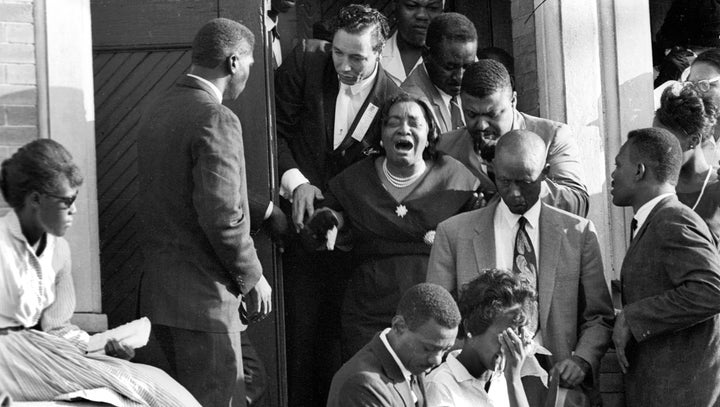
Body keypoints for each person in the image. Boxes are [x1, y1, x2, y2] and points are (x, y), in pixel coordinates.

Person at [136, 18, 281, 406]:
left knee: (246, 380)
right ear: (233, 62)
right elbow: (222, 215)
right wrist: (254, 277)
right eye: (251, 62)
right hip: (206, 304)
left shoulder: (157, 109)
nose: (250, 72)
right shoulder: (216, 117)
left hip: (162, 301)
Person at [0, 139, 200, 406]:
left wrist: (99, 346)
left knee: (150, 381)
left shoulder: (59, 250)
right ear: (36, 200)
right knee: (140, 386)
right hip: (11, 362)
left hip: (47, 354)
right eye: (66, 201)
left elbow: (57, 327)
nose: (74, 210)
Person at [427, 130, 614, 406]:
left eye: (525, 182)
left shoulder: (578, 233)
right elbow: (438, 316)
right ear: (493, 171)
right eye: (504, 181)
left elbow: (599, 316)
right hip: (480, 383)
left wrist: (582, 360)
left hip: (558, 380)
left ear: (545, 173)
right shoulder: (454, 234)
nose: (514, 193)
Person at [274, 5, 402, 404]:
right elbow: (270, 130)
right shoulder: (305, 62)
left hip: (354, 246)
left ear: (379, 53)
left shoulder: (395, 97)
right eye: (338, 52)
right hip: (297, 236)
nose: (344, 65)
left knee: (340, 349)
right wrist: (298, 184)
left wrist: (340, 215)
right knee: (296, 346)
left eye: (357, 57)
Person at [303, 93, 480, 358]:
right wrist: (330, 222)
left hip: (433, 313)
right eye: (393, 122)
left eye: (413, 122)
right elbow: (333, 217)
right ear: (382, 134)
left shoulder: (456, 178)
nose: (403, 129)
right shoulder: (356, 178)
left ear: (430, 131)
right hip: (369, 311)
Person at [610, 127, 720, 405]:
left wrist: (633, 317)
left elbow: (711, 290)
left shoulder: (673, 219)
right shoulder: (656, 219)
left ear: (639, 171)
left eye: (618, 165)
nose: (612, 175)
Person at [438, 59, 589, 217]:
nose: (482, 125)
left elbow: (578, 204)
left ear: (513, 101)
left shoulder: (552, 136)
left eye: (492, 114)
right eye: (472, 114)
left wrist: (524, 178)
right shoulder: (444, 147)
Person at [326, 282, 460, 407]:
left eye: (445, 350)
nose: (436, 360)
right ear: (399, 326)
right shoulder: (361, 385)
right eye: (428, 348)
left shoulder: (412, 363)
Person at [425, 269, 535, 407]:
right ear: (471, 327)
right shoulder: (440, 386)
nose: (511, 347)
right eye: (504, 336)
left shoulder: (504, 380)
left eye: (516, 337)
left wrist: (514, 379)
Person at [654, 81, 720, 239]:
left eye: (665, 139)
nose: (656, 148)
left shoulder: (717, 189)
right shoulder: (652, 188)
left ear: (693, 140)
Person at [401, 12, 478, 134]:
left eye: (467, 67)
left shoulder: (478, 74)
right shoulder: (410, 106)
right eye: (450, 67)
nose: (460, 77)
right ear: (426, 55)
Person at [381, 0, 444, 86]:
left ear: (442, 11)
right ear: (394, 6)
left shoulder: (453, 65)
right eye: (411, 6)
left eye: (433, 8)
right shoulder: (372, 58)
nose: (422, 15)